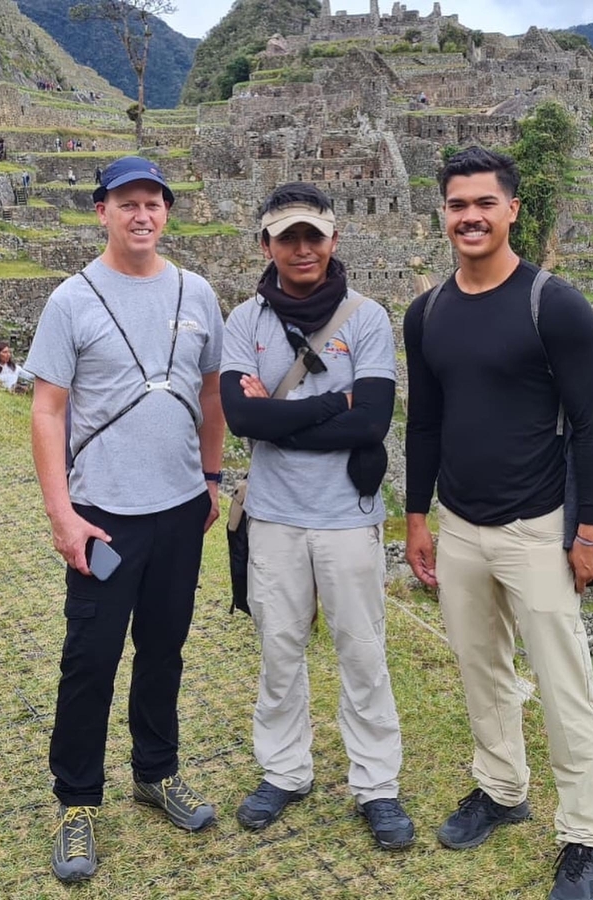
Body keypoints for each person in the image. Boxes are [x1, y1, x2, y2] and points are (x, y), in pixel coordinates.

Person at [403, 146, 593, 900]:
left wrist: (589, 532)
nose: (470, 217)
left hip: (538, 526)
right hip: (459, 525)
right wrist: (416, 517)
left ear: (512, 209)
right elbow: (424, 424)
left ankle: (590, 836)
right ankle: (500, 788)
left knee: (565, 687)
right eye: (457, 205)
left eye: (484, 203)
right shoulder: (427, 312)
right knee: (480, 669)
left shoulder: (552, 304)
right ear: (444, 213)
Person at [25, 156, 225, 883]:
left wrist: (211, 478)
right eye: (127, 203)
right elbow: (47, 410)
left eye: (154, 203)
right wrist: (62, 515)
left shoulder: (197, 291)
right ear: (102, 212)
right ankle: (77, 802)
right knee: (89, 660)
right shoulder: (70, 300)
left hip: (179, 511)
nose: (142, 215)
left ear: (167, 213)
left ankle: (156, 770)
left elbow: (210, 396)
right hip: (103, 516)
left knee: (165, 648)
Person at [220, 182, 415, 851]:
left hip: (346, 517)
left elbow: (374, 421)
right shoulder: (246, 321)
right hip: (274, 518)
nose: (301, 249)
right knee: (279, 653)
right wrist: (333, 407)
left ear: (333, 240)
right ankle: (285, 770)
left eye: (313, 235)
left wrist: (281, 424)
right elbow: (243, 418)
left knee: (362, 653)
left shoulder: (364, 318)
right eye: (287, 237)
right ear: (266, 245)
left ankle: (376, 784)